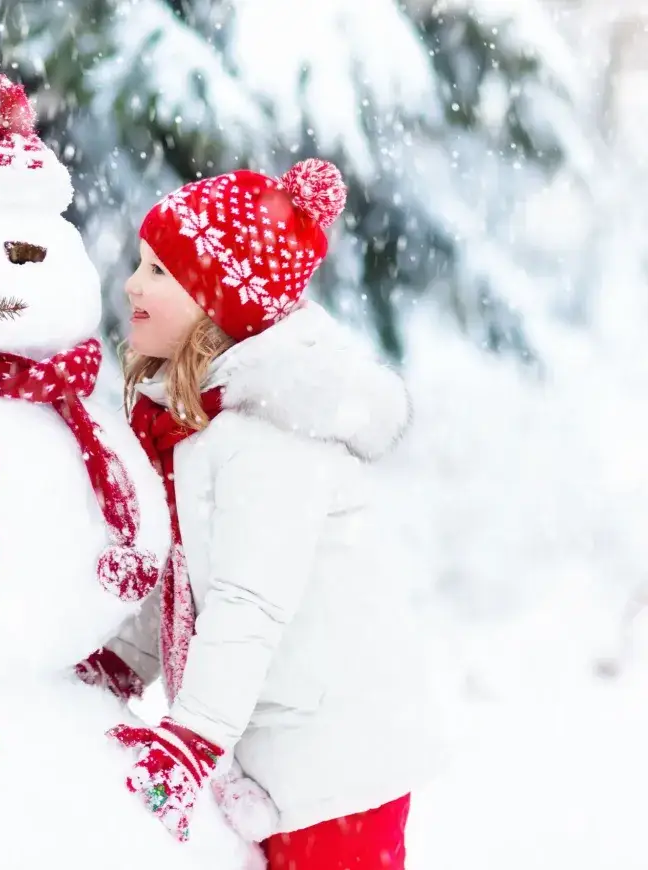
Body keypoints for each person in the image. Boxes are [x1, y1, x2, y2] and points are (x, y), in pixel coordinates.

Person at [106, 160, 441, 868]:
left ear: (218, 306)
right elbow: (180, 572)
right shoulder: (198, 423)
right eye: (141, 265)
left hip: (331, 766)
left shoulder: (268, 435)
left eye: (161, 273)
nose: (134, 285)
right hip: (272, 751)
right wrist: (119, 661)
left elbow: (246, 600)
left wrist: (191, 738)